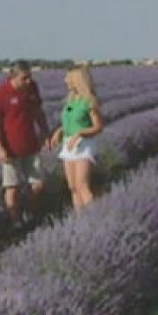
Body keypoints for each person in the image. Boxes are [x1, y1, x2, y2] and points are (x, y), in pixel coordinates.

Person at [0, 60, 49, 228]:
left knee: (38, 185)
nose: (29, 81)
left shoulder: (32, 88)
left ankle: (29, 213)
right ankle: (15, 222)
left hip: (31, 145)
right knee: (12, 187)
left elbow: (38, 111)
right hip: (10, 148)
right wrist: (0, 148)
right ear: (13, 77)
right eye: (25, 78)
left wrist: (45, 131)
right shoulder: (1, 93)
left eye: (30, 77)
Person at [49, 66, 104, 210]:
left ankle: (94, 217)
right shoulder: (71, 101)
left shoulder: (89, 102)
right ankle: (80, 218)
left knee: (82, 186)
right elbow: (69, 124)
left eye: (69, 78)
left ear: (77, 80)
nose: (65, 80)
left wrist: (80, 134)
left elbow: (98, 126)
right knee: (72, 186)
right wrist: (59, 131)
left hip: (83, 144)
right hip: (68, 144)